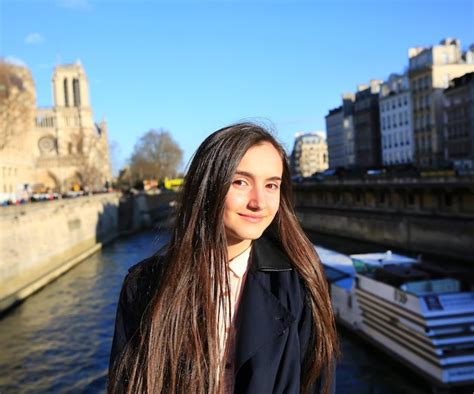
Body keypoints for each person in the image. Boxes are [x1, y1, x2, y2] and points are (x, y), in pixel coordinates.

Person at [108, 123, 338, 393]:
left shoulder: (300, 283)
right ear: (208, 187)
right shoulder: (142, 285)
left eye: (271, 185)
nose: (259, 202)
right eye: (241, 182)